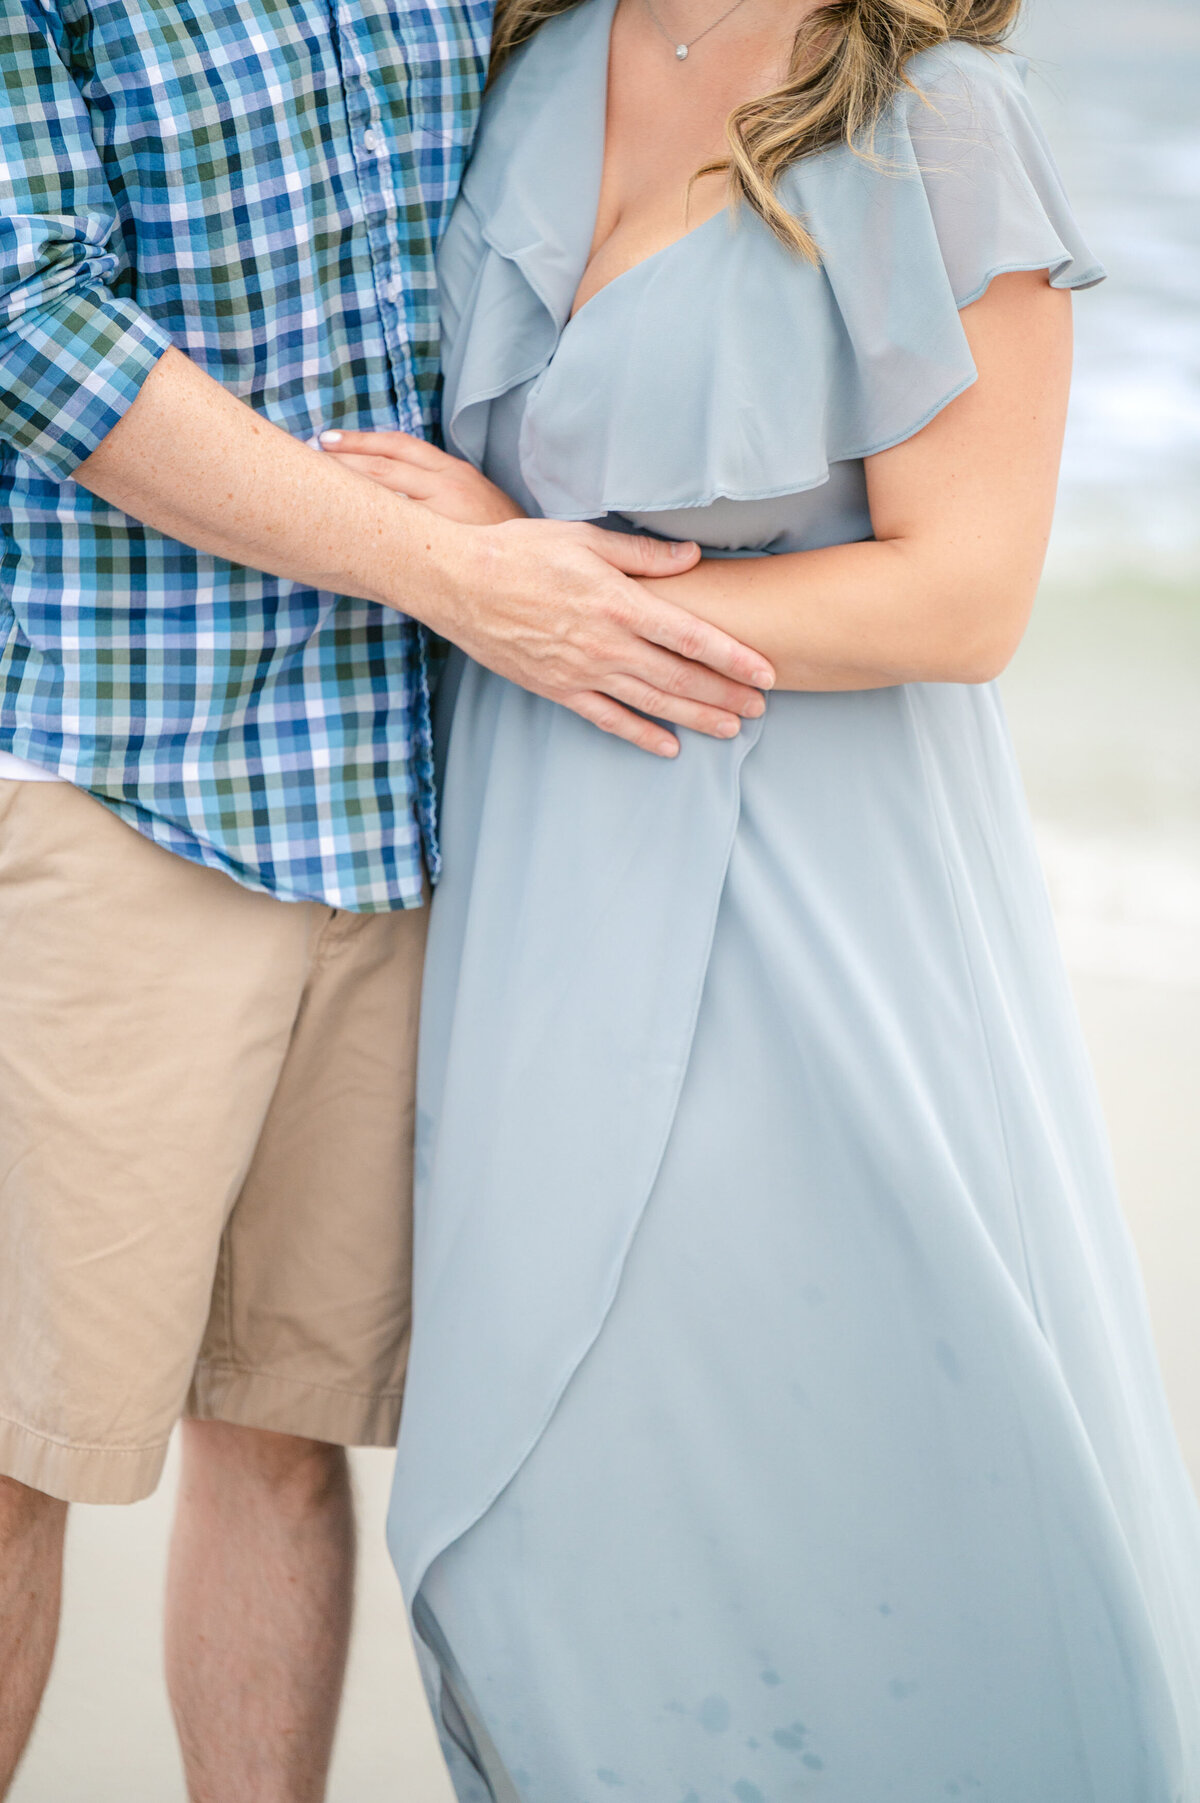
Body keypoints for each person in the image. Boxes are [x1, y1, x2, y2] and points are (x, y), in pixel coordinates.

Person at [327, 0, 1200, 1793]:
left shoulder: (935, 120)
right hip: (530, 869)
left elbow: (961, 599)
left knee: (827, 1417)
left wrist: (497, 571)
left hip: (805, 882)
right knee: (566, 1488)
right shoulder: (532, 65)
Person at [0, 1, 774, 1794]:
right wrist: (461, 574)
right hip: (121, 781)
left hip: (407, 795)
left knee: (285, 1431)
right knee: (18, 1448)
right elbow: (30, 324)